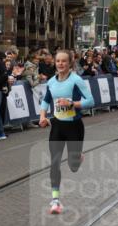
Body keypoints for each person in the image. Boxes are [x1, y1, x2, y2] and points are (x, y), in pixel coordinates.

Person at [37, 50, 95, 214]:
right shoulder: (51, 82)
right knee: (54, 162)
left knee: (73, 166)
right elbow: (46, 101)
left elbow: (90, 101)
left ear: (70, 63)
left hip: (74, 126)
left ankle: (77, 157)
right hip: (57, 126)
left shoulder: (76, 80)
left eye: (64, 61)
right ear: (54, 63)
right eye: (58, 61)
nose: (60, 64)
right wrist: (42, 117)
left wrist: (72, 104)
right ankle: (55, 201)